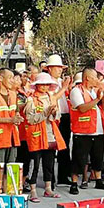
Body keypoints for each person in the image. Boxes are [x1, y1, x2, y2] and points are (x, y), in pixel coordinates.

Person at [68, 67, 104, 195]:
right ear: (88, 78)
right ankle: (74, 183)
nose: (98, 80)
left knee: (98, 157)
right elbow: (82, 108)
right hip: (83, 131)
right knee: (79, 158)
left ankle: (98, 180)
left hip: (97, 129)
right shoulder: (76, 91)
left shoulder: (95, 91)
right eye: (95, 77)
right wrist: (97, 99)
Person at [24, 73, 66, 201]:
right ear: (36, 85)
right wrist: (45, 113)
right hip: (36, 135)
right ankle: (33, 190)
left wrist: (54, 113)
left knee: (49, 163)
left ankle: (48, 188)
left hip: (50, 134)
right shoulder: (30, 99)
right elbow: (30, 119)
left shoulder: (51, 97)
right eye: (42, 84)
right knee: (35, 164)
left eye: (47, 84)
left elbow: (57, 117)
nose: (44, 86)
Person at [44, 55, 73, 185]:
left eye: (61, 68)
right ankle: (50, 178)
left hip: (64, 115)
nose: (60, 70)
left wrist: (67, 88)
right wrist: (64, 88)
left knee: (64, 147)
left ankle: (63, 175)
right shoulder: (47, 82)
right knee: (51, 149)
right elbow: (53, 98)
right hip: (53, 117)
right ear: (49, 69)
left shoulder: (61, 81)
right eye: (57, 67)